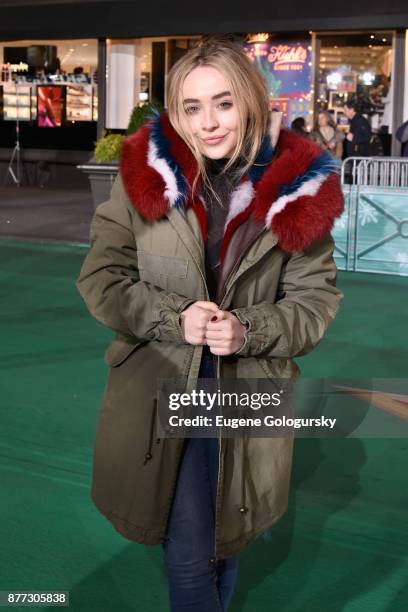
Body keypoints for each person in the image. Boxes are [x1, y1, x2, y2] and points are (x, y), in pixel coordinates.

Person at [76, 36, 344, 611]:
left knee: (225, 539)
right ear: (174, 110)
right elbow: (102, 279)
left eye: (223, 103)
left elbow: (314, 302)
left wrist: (248, 330)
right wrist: (177, 319)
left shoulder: (300, 189)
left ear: (249, 99)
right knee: (191, 551)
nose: (208, 123)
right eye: (191, 107)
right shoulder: (142, 174)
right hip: (163, 381)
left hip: (248, 387)